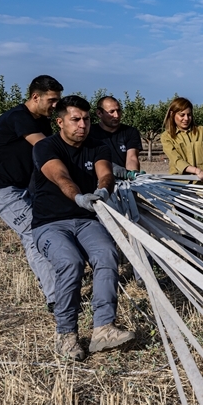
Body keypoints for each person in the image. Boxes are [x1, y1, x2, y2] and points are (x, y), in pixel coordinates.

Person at [30, 95, 135, 361]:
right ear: (60, 122)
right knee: (70, 262)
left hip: (87, 219)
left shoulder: (97, 146)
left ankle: (103, 328)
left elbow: (105, 173)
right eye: (75, 119)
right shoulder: (45, 147)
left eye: (86, 119)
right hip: (50, 223)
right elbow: (60, 176)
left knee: (108, 255)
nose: (82, 125)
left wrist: (102, 190)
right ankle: (66, 335)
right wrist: (77, 196)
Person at [0, 75, 62, 309]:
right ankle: (55, 297)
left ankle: (52, 279)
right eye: (52, 100)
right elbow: (46, 148)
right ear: (36, 97)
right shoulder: (19, 118)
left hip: (25, 186)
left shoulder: (42, 119)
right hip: (1, 189)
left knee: (49, 227)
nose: (56, 106)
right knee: (34, 233)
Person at [161, 97, 203, 183]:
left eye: (189, 115)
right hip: (182, 187)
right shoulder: (167, 137)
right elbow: (177, 160)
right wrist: (197, 171)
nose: (186, 118)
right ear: (172, 114)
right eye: (182, 115)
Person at [90, 96, 143, 177]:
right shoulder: (90, 133)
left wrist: (132, 174)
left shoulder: (130, 132)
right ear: (99, 113)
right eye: (111, 112)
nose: (116, 115)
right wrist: (109, 167)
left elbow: (132, 157)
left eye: (118, 110)